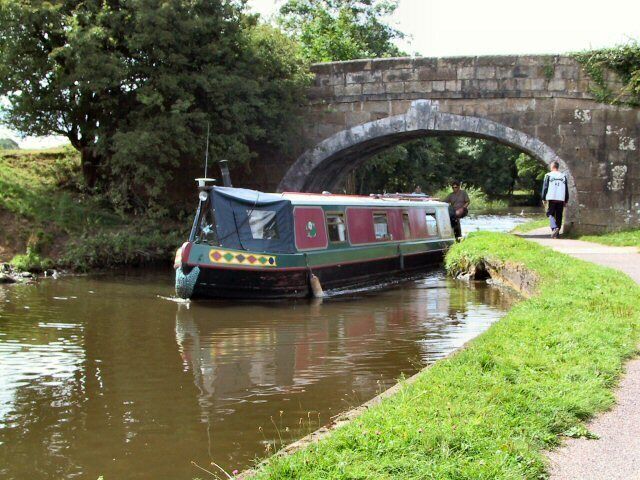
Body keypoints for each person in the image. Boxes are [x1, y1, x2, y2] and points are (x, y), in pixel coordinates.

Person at [541, 161, 569, 239]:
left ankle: (554, 228)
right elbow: (566, 189)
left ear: (552, 166)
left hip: (552, 197)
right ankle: (557, 234)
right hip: (561, 198)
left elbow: (545, 187)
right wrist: (566, 199)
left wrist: (543, 198)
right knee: (559, 215)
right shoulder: (563, 176)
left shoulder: (548, 175)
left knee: (550, 214)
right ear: (558, 167)